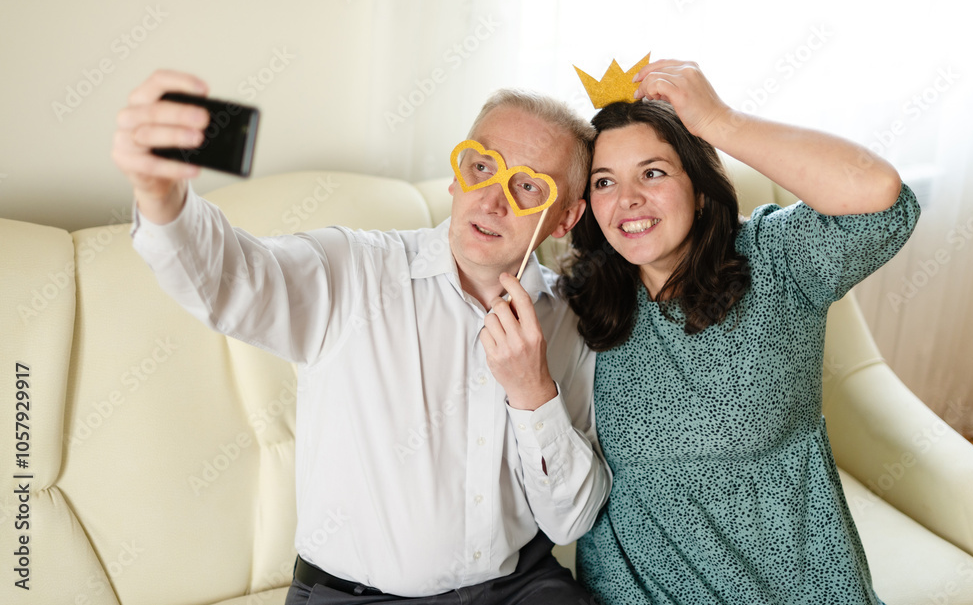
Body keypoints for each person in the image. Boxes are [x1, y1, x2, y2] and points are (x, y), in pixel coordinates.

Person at [111, 69, 611, 604]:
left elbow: (571, 520)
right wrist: (161, 194)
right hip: (355, 596)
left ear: (566, 218)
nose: (492, 199)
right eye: (481, 167)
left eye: (529, 185)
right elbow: (230, 280)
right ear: (456, 175)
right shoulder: (352, 270)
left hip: (520, 587)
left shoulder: (570, 319)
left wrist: (533, 393)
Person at [561, 59, 919, 604]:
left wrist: (720, 120)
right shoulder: (587, 296)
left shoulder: (774, 260)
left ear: (700, 190)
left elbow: (880, 194)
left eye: (653, 172)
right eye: (605, 182)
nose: (627, 199)